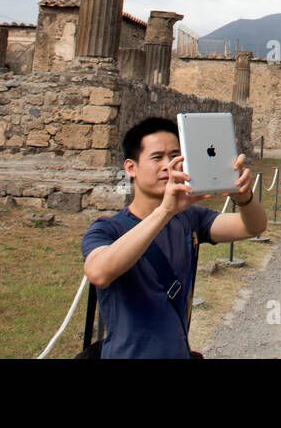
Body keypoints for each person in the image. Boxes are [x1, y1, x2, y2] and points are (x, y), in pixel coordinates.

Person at [81, 116, 267, 358]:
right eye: (157, 157)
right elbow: (99, 273)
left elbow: (253, 227)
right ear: (131, 168)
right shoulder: (107, 229)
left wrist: (243, 197)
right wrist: (165, 211)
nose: (168, 165)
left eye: (174, 156)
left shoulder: (189, 219)